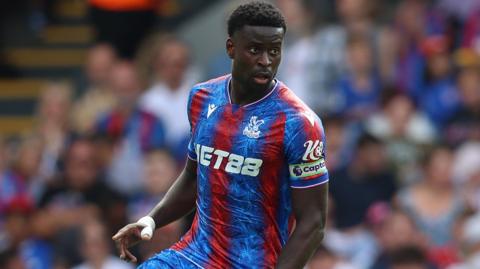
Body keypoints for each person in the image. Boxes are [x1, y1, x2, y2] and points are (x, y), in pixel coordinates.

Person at [112, 1, 329, 268]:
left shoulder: (299, 123)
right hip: (194, 254)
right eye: (255, 50)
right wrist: (151, 220)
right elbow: (194, 177)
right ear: (230, 48)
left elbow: (314, 222)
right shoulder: (202, 98)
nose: (266, 61)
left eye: (274, 50)